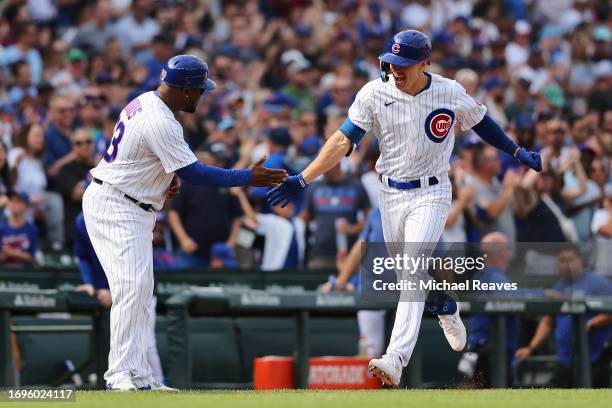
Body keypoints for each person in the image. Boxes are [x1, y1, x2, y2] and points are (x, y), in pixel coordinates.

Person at [267, 30, 542, 387]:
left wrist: (515, 151)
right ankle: (444, 305)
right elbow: (341, 139)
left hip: (432, 192)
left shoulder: (448, 91)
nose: (396, 69)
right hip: (390, 195)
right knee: (407, 279)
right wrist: (303, 178)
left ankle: (395, 358)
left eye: (405, 64)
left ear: (424, 63)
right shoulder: (373, 92)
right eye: (392, 62)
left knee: (412, 270)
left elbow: (481, 122)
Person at [82, 55, 286, 391]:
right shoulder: (161, 119)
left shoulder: (145, 100)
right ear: (187, 91)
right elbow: (197, 173)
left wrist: (162, 179)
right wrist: (249, 175)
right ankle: (119, 373)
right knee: (132, 288)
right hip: (116, 204)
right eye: (200, 90)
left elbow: (145, 159)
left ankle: (142, 376)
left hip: (126, 199)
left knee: (141, 292)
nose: (202, 96)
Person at [73, 212, 165, 384]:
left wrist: (111, 288)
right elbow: (83, 255)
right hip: (105, 289)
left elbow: (128, 257)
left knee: (145, 341)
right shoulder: (82, 219)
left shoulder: (124, 212)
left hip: (136, 286)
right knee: (113, 340)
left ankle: (156, 382)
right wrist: (89, 283)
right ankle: (122, 381)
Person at [514, 244, 612, 388]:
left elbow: (609, 312)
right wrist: (531, 347)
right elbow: (549, 321)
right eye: (561, 261)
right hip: (565, 359)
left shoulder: (598, 283)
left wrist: (591, 324)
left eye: (570, 260)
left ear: (580, 260)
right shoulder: (560, 286)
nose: (566, 264)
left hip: (594, 358)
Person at [457, 232, 520, 388]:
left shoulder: (479, 276)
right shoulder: (495, 278)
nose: (510, 253)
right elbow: (513, 300)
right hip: (494, 351)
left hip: (477, 349)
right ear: (500, 252)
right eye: (507, 248)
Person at [0, 191, 37, 266]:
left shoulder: (31, 229)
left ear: (27, 207)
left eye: (18, 202)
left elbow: (30, 256)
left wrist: (11, 252)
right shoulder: (1, 227)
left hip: (23, 273)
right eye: (12, 201)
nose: (14, 204)